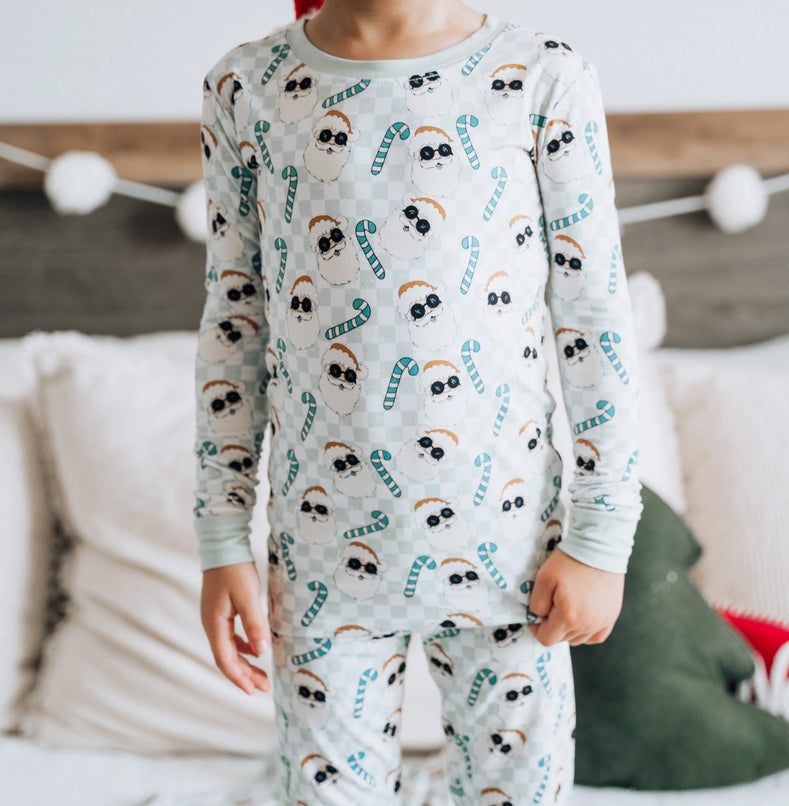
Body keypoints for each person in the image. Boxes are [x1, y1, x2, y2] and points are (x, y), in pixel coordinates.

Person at [193, 0, 642, 802]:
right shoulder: (247, 85)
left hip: (513, 560)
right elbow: (236, 321)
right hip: (322, 565)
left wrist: (602, 535)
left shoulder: (540, 75)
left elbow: (594, 316)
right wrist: (222, 536)